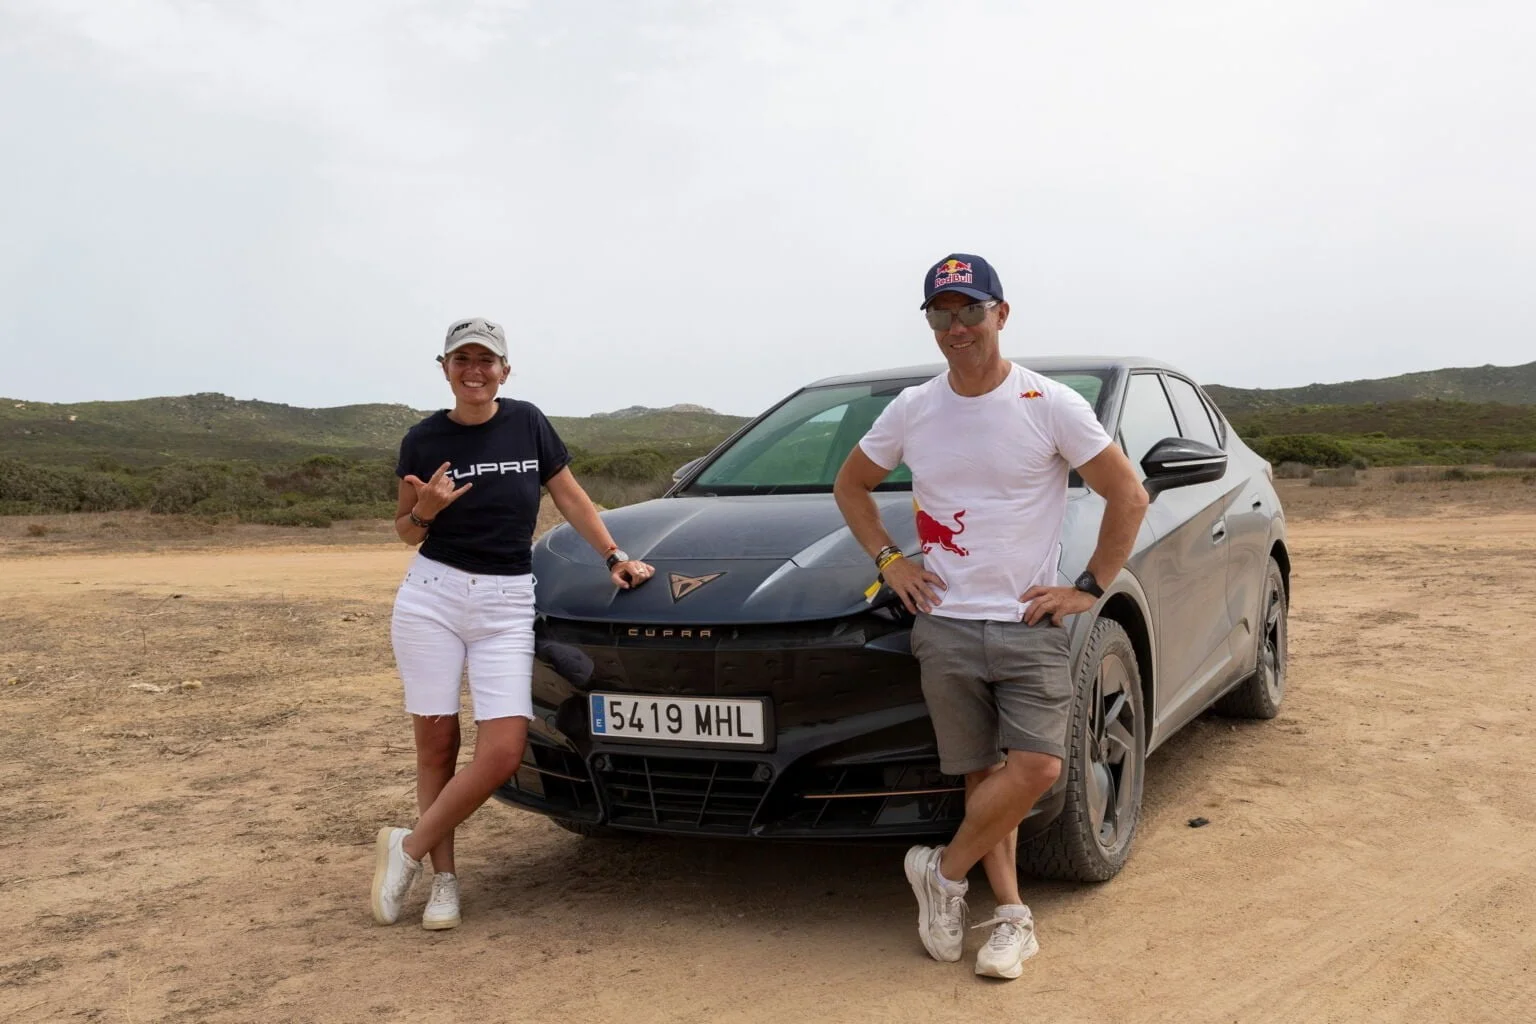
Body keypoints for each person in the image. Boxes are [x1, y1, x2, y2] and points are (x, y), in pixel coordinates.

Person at [833, 255, 1148, 978]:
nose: (957, 327)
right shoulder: (914, 408)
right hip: (943, 622)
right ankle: (1009, 916)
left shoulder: (1050, 403)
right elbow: (852, 485)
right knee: (980, 777)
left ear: (1001, 314)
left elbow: (1128, 494)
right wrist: (890, 561)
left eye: (970, 311)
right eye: (941, 314)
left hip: (1027, 620)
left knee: (1036, 767)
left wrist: (1088, 587)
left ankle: (941, 872)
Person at [371, 316, 655, 929]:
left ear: (505, 369)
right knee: (438, 746)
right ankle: (444, 881)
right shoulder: (422, 439)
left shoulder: (527, 422)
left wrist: (614, 556)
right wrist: (424, 511)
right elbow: (404, 531)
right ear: (444, 368)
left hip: (505, 604)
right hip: (432, 598)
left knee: (503, 752)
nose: (474, 371)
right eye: (462, 359)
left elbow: (570, 495)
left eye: (486, 360)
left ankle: (408, 848)